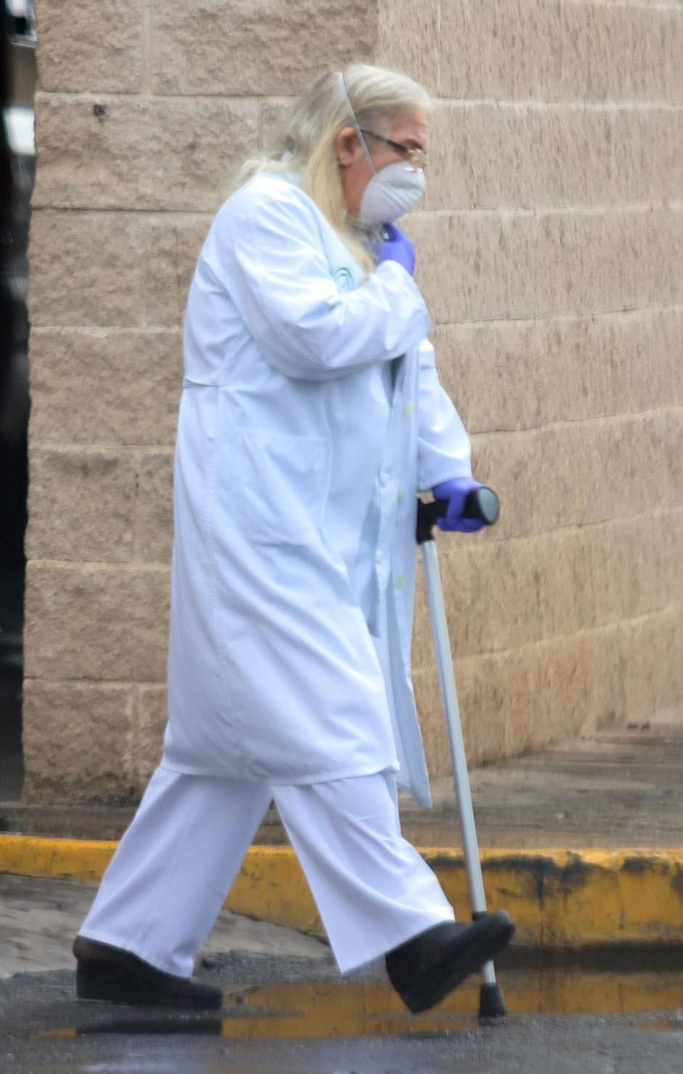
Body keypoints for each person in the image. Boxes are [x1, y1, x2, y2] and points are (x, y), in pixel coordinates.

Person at [71, 64, 513, 1015]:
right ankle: (411, 937)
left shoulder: (366, 245)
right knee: (333, 715)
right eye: (406, 151)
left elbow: (410, 376)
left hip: (325, 531)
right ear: (348, 143)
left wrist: (452, 473)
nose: (414, 176)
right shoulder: (264, 217)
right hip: (259, 527)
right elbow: (314, 338)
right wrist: (396, 287)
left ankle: (127, 946)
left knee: (221, 757)